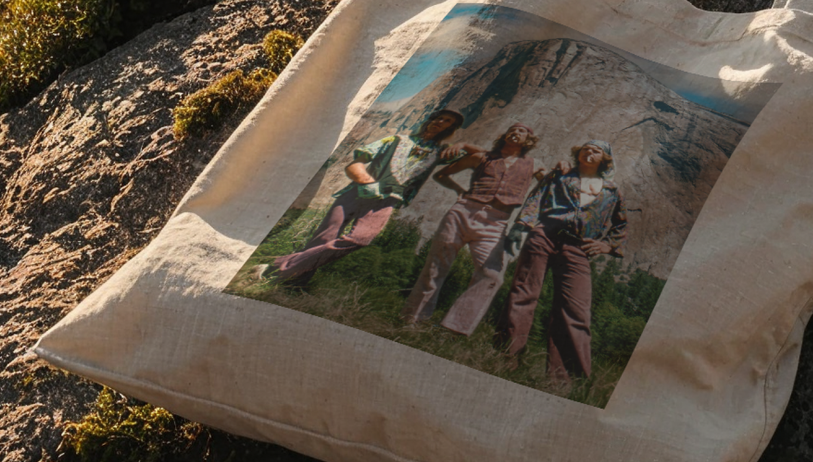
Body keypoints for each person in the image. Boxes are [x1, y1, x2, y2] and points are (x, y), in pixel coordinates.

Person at [259, 110, 467, 287]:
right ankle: (292, 284)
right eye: (442, 117)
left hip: (387, 201)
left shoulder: (440, 153)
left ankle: (277, 266)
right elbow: (355, 164)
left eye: (450, 122)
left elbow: (479, 156)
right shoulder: (395, 140)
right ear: (432, 118)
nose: (442, 123)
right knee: (324, 238)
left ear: (451, 129)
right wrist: (367, 182)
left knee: (360, 239)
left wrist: (464, 143)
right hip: (356, 192)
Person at [495, 139, 627, 380]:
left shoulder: (612, 190)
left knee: (576, 310)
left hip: (579, 247)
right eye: (585, 148)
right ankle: (505, 359)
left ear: (605, 159)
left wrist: (607, 245)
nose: (590, 152)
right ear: (578, 153)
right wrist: (521, 226)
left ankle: (565, 380)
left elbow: (621, 223)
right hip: (544, 234)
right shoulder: (561, 174)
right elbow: (537, 196)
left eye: (596, 150)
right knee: (523, 293)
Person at [403, 122, 539, 331]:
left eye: (521, 130)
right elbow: (441, 174)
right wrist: (459, 190)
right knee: (435, 268)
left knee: (492, 276)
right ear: (504, 135)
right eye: (511, 129)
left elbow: (549, 182)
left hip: (496, 222)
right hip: (462, 213)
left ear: (528, 140)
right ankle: (412, 320)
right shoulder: (482, 157)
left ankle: (454, 328)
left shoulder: (534, 164)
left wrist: (564, 166)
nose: (514, 132)